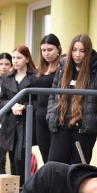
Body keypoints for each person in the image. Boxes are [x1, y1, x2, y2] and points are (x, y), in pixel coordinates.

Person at [46, 34, 97, 165]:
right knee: (54, 169)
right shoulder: (62, 69)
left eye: (82, 50)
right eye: (74, 50)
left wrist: (95, 121)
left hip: (83, 132)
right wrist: (51, 115)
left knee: (78, 172)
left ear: (88, 51)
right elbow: (52, 95)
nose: (77, 54)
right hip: (61, 127)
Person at [0, 46, 37, 185]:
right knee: (12, 158)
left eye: (19, 58)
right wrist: (11, 105)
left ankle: (23, 190)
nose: (15, 61)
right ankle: (15, 191)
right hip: (10, 124)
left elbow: (40, 101)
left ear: (27, 59)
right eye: (13, 58)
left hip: (26, 123)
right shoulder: (7, 78)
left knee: (22, 159)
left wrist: (25, 107)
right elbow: (1, 101)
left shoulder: (34, 78)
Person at [33, 34, 63, 163]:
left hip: (55, 115)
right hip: (39, 117)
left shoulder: (63, 68)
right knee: (45, 156)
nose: (46, 53)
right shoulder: (40, 69)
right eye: (43, 50)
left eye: (50, 50)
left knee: (55, 157)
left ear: (58, 49)